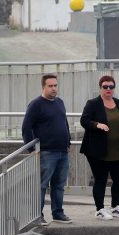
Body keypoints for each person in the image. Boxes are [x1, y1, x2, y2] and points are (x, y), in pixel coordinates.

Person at [79, 75, 119, 220]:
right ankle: (99, 209)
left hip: (118, 149)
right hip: (98, 150)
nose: (108, 89)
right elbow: (84, 120)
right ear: (100, 88)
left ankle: (115, 206)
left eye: (111, 87)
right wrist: (97, 125)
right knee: (100, 179)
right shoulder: (93, 104)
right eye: (105, 87)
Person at [22, 73, 72, 225]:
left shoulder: (60, 102)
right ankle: (38, 215)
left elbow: (65, 123)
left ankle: (58, 213)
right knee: (42, 185)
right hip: (46, 152)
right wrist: (32, 150)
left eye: (55, 85)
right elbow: (26, 128)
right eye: (50, 86)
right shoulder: (36, 104)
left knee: (59, 185)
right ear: (43, 87)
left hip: (62, 151)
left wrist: (68, 142)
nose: (53, 89)